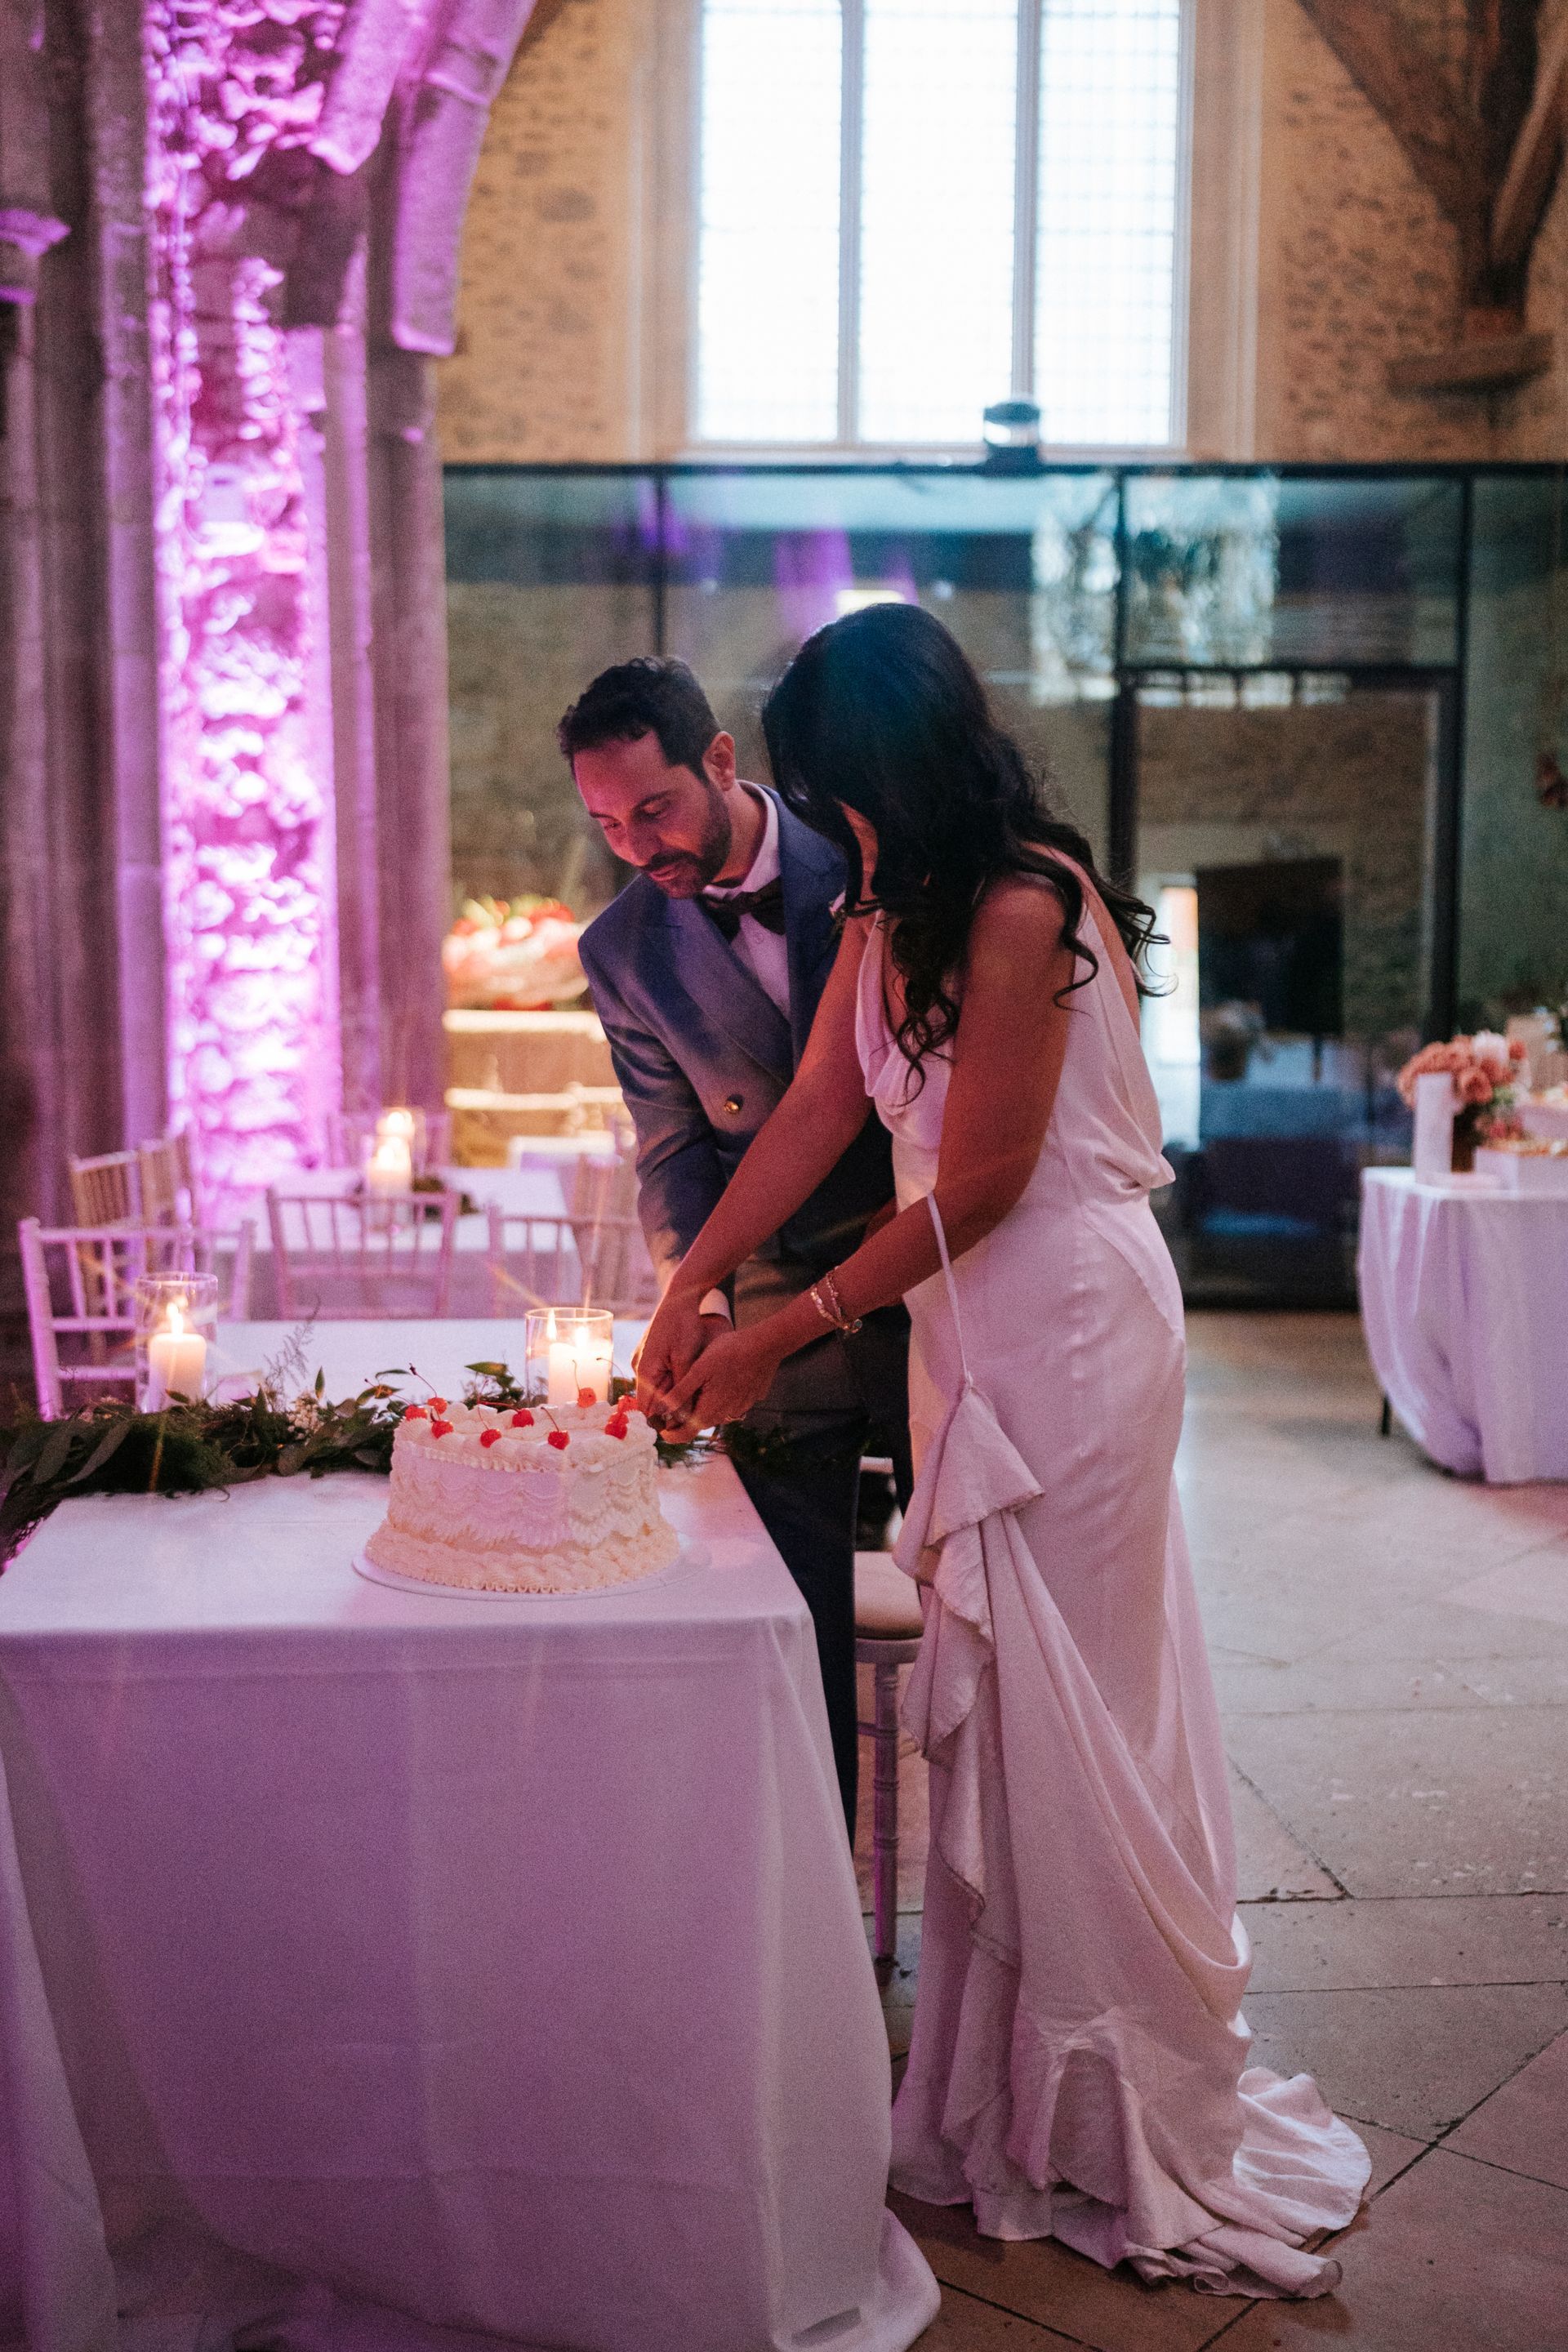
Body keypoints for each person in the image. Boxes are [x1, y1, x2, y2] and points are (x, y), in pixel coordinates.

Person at [636, 604, 1370, 2297]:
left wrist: (779, 1330)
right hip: (967, 1326)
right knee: (1005, 1706)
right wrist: (684, 1281)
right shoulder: (889, 910)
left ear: (892, 763)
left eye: (842, 789)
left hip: (1075, 1334)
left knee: (1072, 1705)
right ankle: (998, 2101)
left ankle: (1109, 2111)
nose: (829, 825)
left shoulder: (1030, 900)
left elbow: (978, 1182)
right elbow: (826, 1114)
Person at [561, 657, 911, 1836]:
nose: (637, 847)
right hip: (769, 1296)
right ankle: (813, 1893)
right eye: (607, 824)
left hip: (931, 1264)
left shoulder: (860, 851)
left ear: (720, 760)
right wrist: (691, 1290)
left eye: (653, 808)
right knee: (786, 1613)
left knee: (979, 1585)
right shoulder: (621, 950)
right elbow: (671, 1149)